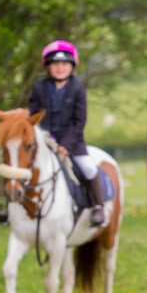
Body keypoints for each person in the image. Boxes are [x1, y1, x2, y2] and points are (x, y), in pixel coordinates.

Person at [29, 39, 105, 226]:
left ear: (72, 66)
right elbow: (33, 115)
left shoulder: (77, 88)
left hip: (71, 144)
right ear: (48, 66)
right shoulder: (39, 87)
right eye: (55, 64)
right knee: (22, 168)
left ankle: (98, 206)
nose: (60, 68)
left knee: (88, 168)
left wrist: (65, 145)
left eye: (64, 64)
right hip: (44, 143)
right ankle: (11, 209)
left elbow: (79, 121)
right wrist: (42, 139)